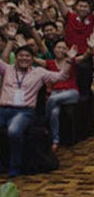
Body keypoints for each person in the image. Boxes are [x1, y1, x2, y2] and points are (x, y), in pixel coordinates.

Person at [0, 44, 71, 176]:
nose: (24, 58)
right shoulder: (8, 69)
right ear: (16, 57)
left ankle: (15, 166)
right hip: (3, 109)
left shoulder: (39, 72)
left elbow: (61, 76)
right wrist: (9, 40)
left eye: (27, 56)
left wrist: (69, 60)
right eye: (21, 55)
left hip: (24, 111)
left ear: (32, 59)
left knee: (14, 131)